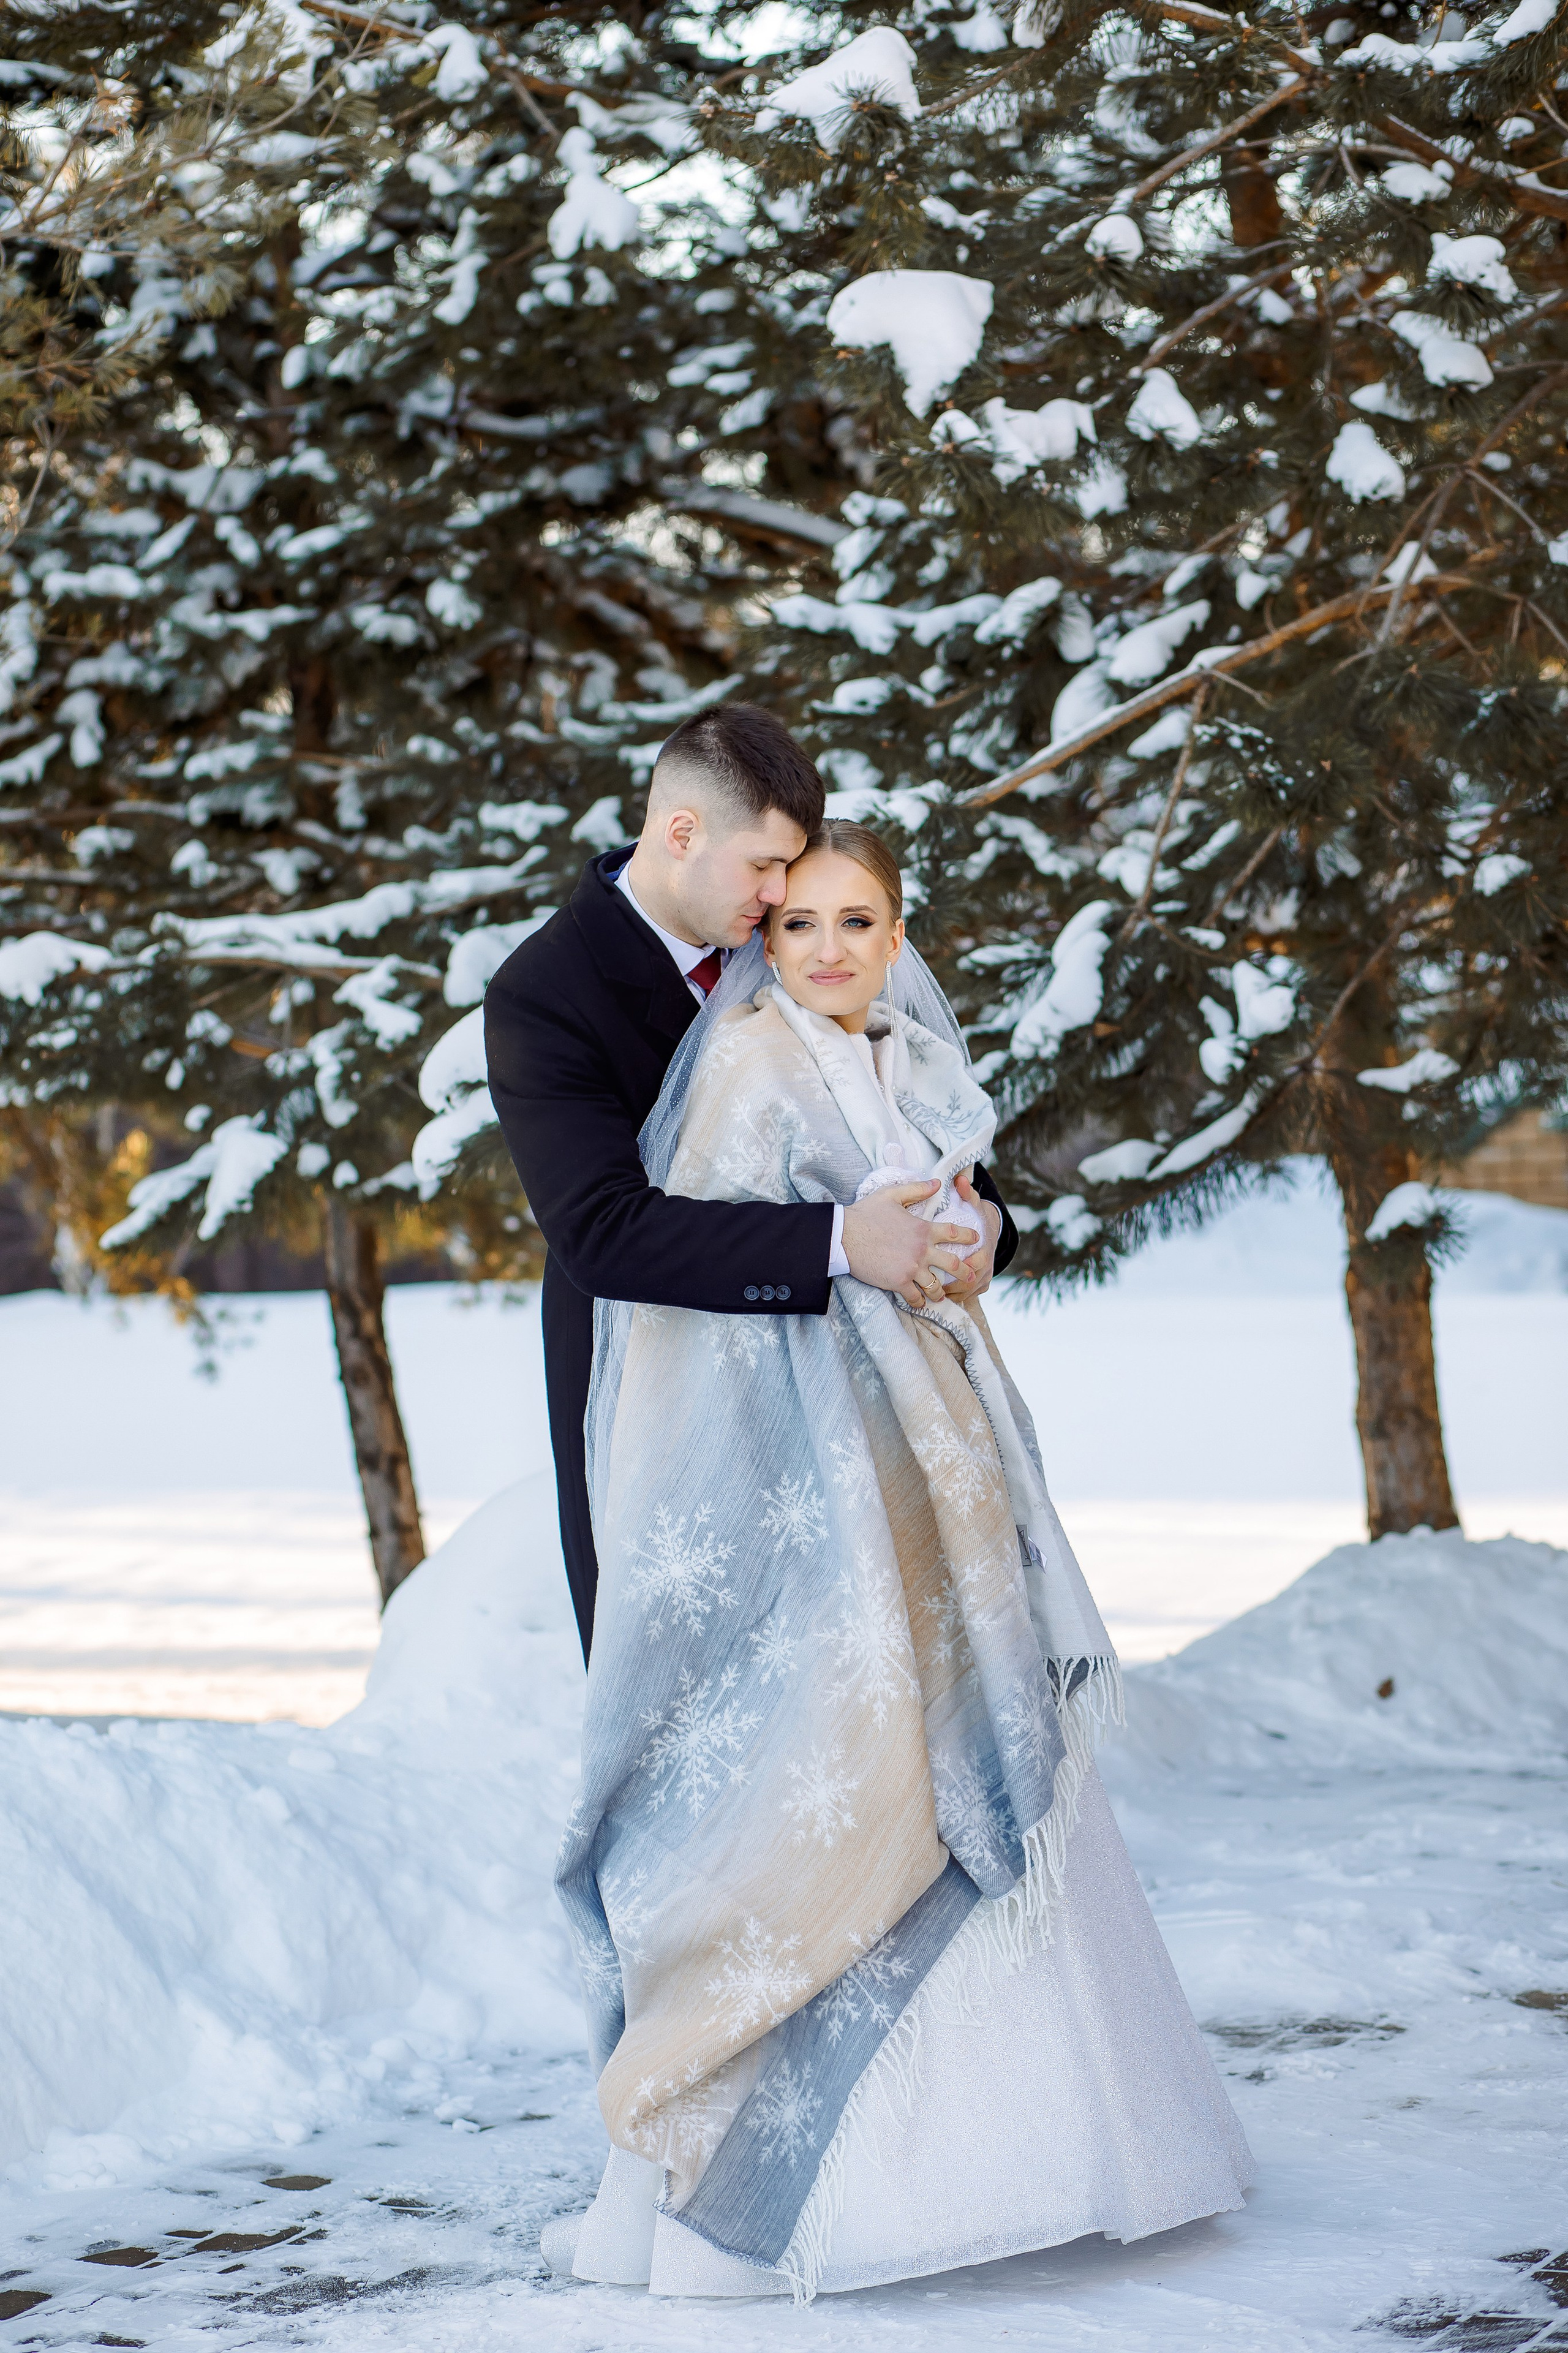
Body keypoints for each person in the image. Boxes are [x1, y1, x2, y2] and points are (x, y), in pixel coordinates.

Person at [544, 823, 1254, 2300]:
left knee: (962, 1776)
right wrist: (860, 1282)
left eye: (856, 923)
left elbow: (946, 1226)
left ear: (895, 930)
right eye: (795, 924)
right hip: (816, 1488)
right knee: (828, 1799)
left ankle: (1049, 2151)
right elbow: (692, 1302)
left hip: (939, 1482)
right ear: (761, 940)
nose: (826, 953)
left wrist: (969, 1239)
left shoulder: (913, 1068)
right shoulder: (741, 1069)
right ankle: (752, 2196)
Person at [484, 704, 1016, 1660]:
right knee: (696, 1694)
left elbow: (917, 1116)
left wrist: (982, 1231)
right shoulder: (547, 992)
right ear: (681, 833)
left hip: (851, 1399)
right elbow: (603, 1233)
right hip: (658, 1385)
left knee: (867, 1683)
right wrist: (840, 1241)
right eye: (764, 865)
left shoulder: (797, 931)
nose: (783, 896)